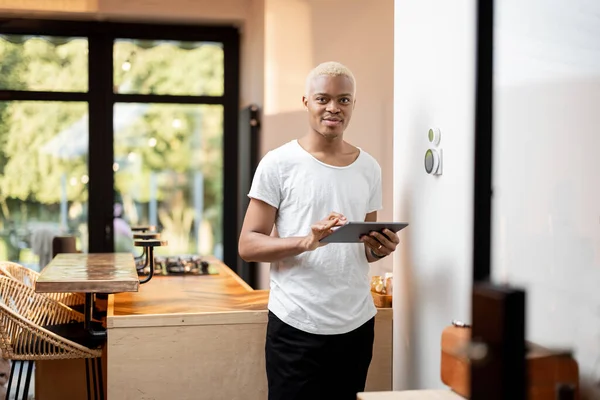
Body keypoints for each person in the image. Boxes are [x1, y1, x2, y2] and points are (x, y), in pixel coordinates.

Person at [238, 61, 400, 400]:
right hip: (297, 325)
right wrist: (306, 241)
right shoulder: (278, 163)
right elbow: (248, 245)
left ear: (353, 104)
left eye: (343, 100)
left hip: (357, 324)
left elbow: (364, 250)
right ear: (306, 102)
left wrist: (379, 247)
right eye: (323, 98)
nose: (333, 108)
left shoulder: (369, 167)